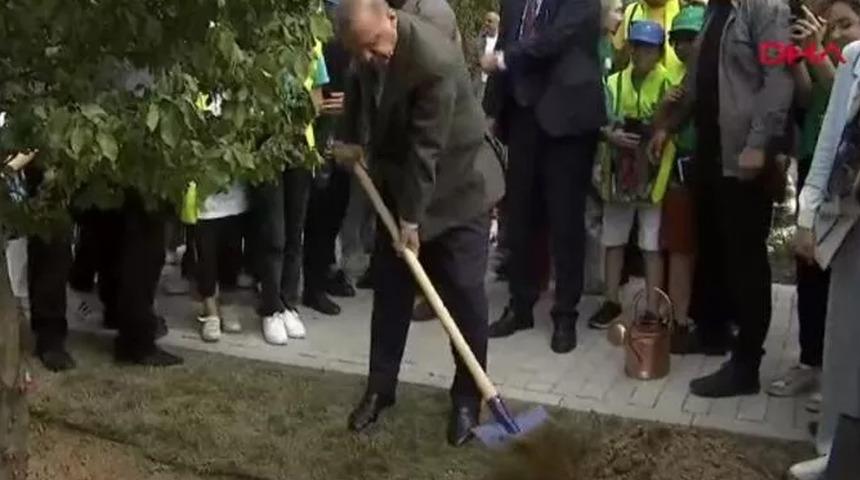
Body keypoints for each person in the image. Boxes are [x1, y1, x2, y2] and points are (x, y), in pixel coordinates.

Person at [334, 0, 504, 446]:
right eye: (360, 50)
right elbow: (357, 83)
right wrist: (350, 139)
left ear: (390, 18)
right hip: (399, 184)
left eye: (373, 44)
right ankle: (380, 389)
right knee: (390, 293)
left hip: (459, 186)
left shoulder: (433, 58)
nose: (369, 56)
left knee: (465, 295)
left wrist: (411, 221)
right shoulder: (368, 49)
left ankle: (468, 399)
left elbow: (427, 149)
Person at [651, 0, 794, 398]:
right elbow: (698, 83)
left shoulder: (767, 9)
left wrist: (760, 144)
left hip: (746, 157)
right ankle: (712, 331)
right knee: (712, 246)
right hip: (711, 154)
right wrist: (669, 126)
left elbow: (779, 78)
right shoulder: (716, 11)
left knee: (746, 258)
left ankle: (746, 364)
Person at [480, 0, 606, 354]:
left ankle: (565, 314)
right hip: (523, 117)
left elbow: (556, 37)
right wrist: (492, 109)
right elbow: (506, 39)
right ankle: (520, 306)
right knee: (519, 215)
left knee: (565, 220)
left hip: (567, 120)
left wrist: (504, 60)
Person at [790, 4, 860, 478]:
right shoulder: (854, 60)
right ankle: (836, 450)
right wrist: (807, 213)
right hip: (852, 220)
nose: (837, 32)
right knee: (844, 341)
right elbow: (830, 141)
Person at [769, 0, 838, 420]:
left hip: (847, 168)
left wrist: (817, 50)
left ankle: (837, 373)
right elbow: (809, 96)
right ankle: (810, 362)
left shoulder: (845, 25)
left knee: (839, 277)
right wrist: (798, 57)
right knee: (808, 268)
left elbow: (847, 93)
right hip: (814, 159)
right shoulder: (807, 28)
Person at [588, 20, 672, 330]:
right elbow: (597, 121)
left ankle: (651, 307)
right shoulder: (613, 83)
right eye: (636, 46)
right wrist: (611, 136)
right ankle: (611, 300)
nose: (640, 53)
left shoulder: (668, 85)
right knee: (613, 237)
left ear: (659, 51)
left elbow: (673, 125)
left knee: (651, 242)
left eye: (648, 47)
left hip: (652, 176)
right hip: (618, 172)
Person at [251, 42, 330, 344]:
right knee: (274, 232)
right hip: (266, 144)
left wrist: (301, 114)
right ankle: (270, 307)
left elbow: (318, 98)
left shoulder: (313, 46)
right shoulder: (262, 39)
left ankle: (288, 303)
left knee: (295, 230)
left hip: (299, 145)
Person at [302, 0, 354, 316]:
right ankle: (311, 285)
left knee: (336, 205)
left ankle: (323, 272)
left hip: (346, 125)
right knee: (318, 209)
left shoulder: (355, 12)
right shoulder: (315, 15)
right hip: (317, 126)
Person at [656, 4, 704, 352]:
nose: (683, 46)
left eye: (690, 38)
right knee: (680, 247)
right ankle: (680, 319)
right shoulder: (680, 82)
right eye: (677, 39)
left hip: (715, 169)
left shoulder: (709, 74)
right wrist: (665, 113)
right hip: (683, 171)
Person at [613, 0, 684, 81]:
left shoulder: (683, 8)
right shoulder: (632, 11)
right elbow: (619, 58)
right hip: (635, 89)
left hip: (678, 88)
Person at [474, 12, 501, 99]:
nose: (486, 23)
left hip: (491, 85)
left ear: (497, 24)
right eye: (485, 20)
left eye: (490, 21)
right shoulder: (479, 39)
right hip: (477, 81)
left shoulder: (501, 42)